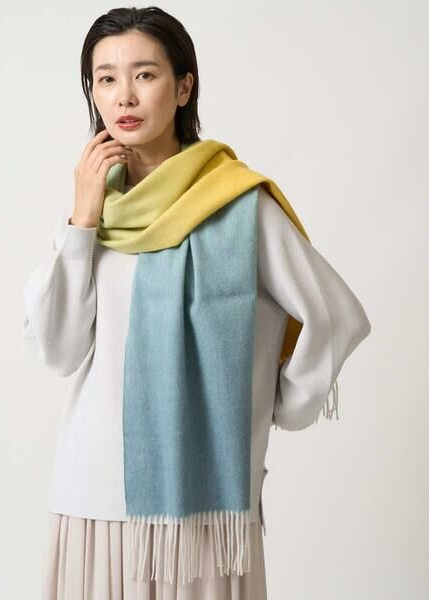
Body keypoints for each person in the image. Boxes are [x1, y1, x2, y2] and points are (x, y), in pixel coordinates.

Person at [21, 6, 372, 600]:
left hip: (203, 504)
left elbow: (335, 315)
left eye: (144, 74)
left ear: (183, 87)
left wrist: (281, 406)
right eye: (105, 78)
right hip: (91, 494)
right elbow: (58, 351)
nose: (124, 95)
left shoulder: (236, 204)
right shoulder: (89, 209)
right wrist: (82, 220)